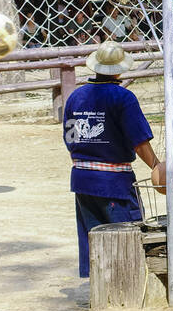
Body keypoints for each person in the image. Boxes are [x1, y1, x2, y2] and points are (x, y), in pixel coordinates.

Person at [63, 41, 161, 278]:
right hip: (115, 182)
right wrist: (158, 167)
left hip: (82, 180)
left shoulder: (76, 97)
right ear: (119, 70)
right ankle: (127, 289)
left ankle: (99, 291)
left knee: (94, 236)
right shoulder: (123, 98)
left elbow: (70, 140)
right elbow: (139, 142)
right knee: (129, 235)